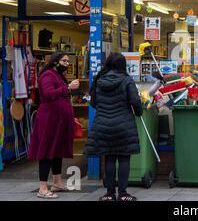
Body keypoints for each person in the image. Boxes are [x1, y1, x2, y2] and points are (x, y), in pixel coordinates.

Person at [84, 52, 142, 201]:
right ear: (123, 65)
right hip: (124, 125)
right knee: (124, 158)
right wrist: (138, 112)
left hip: (103, 124)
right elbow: (135, 101)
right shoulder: (127, 80)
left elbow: (93, 103)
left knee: (109, 158)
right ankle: (123, 193)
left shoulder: (99, 80)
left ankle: (109, 193)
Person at [28, 52, 80, 199]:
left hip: (58, 121)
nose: (66, 63)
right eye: (64, 61)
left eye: (68, 61)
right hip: (49, 120)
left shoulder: (57, 75)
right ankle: (42, 188)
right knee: (46, 150)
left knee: (57, 150)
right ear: (55, 62)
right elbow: (49, 93)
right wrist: (68, 87)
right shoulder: (47, 76)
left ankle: (57, 182)